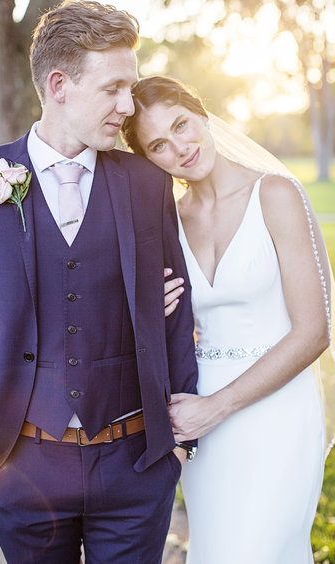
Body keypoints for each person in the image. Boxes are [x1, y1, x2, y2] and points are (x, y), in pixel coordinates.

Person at [0, 6, 198, 563]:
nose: (128, 107)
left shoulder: (147, 183)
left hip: (136, 467)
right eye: (114, 89)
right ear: (58, 85)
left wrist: (177, 444)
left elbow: (176, 309)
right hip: (20, 468)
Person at [122, 75, 331, 564]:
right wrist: (158, 308)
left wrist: (219, 406)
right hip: (200, 420)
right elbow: (164, 328)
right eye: (159, 145)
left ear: (202, 114)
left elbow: (315, 331)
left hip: (277, 409)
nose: (180, 147)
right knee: (216, 551)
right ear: (149, 159)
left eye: (181, 124)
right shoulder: (167, 221)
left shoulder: (276, 195)